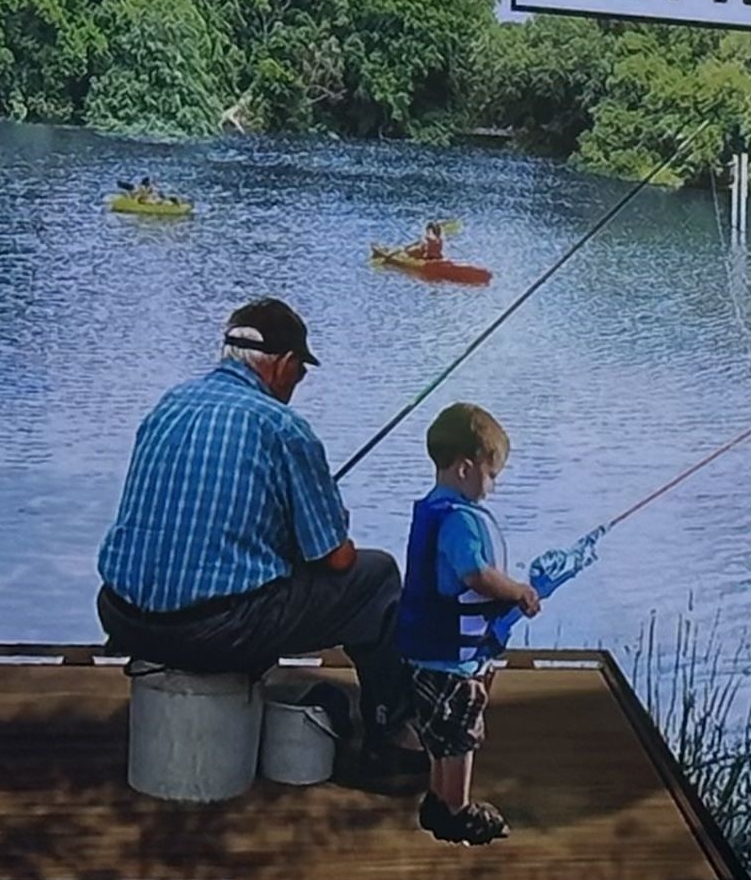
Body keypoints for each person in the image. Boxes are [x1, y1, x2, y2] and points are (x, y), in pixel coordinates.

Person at [96, 298, 409, 753]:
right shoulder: (282, 427)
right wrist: (329, 521)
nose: (296, 386)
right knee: (376, 576)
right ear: (283, 364)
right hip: (216, 632)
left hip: (122, 614)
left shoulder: (170, 404)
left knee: (254, 573)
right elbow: (337, 558)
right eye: (300, 374)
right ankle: (391, 735)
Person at [394, 403, 543, 844]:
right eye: (491, 474)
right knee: (460, 736)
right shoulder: (460, 520)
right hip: (455, 661)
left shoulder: (432, 510)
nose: (493, 486)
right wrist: (518, 591)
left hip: (426, 651)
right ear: (465, 468)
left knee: (437, 734)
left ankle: (437, 801)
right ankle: (458, 809)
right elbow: (475, 575)